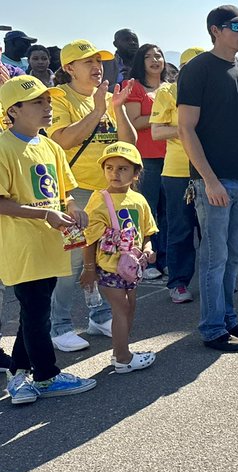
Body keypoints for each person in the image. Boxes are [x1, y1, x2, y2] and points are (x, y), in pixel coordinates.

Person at [0, 75, 98, 403]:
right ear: (13, 110)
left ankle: (17, 375)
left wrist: (73, 209)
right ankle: (46, 375)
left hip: (51, 242)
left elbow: (65, 192)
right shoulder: (3, 146)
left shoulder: (51, 146)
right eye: (38, 103)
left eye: (48, 101)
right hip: (22, 245)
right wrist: (46, 215)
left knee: (35, 309)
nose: (47, 107)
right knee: (35, 306)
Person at [176, 5, 238, 353]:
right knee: (214, 258)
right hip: (214, 183)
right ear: (215, 30)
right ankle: (213, 327)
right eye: (236, 26)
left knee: (232, 257)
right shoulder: (197, 69)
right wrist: (210, 181)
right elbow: (186, 128)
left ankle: (228, 318)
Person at [46, 39, 136, 353]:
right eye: (88, 62)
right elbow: (63, 141)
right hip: (76, 191)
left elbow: (129, 144)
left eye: (98, 61)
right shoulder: (59, 97)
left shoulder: (109, 97)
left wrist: (117, 109)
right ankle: (59, 325)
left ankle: (97, 316)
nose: (97, 67)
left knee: (102, 258)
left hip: (109, 193)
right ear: (69, 67)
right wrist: (98, 110)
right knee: (72, 262)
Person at [79, 143, 158, 373]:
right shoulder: (99, 199)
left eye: (123, 168)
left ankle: (120, 351)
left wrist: (149, 249)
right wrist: (90, 268)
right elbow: (89, 238)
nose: (115, 173)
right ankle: (123, 359)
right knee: (121, 308)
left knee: (130, 306)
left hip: (131, 268)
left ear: (135, 174)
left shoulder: (139, 200)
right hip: (107, 267)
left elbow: (147, 232)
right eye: (109, 167)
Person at [150, 47, 205, 304]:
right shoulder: (166, 91)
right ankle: (179, 282)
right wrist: (187, 129)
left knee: (212, 231)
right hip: (177, 172)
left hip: (210, 170)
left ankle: (211, 280)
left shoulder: (214, 90)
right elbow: (157, 133)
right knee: (181, 229)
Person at [121, 43, 169, 279]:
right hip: (146, 158)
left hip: (172, 157)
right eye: (148, 56)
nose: (154, 60)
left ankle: (166, 258)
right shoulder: (134, 87)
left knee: (170, 212)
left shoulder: (170, 88)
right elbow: (135, 121)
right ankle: (146, 261)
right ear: (140, 62)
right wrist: (163, 116)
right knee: (148, 211)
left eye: (158, 55)